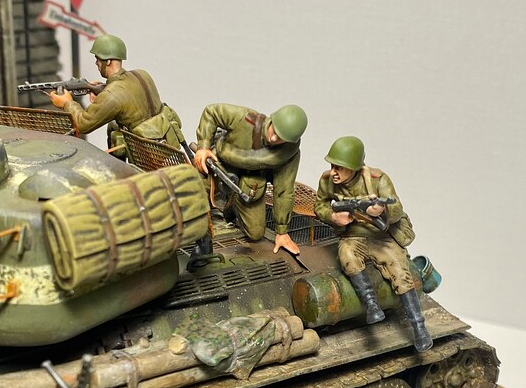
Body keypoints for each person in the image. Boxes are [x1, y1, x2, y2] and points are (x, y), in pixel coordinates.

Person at [314, 135, 432, 352]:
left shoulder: (378, 180)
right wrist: (333, 216)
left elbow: (396, 209)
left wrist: (381, 210)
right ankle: (372, 306)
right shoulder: (327, 180)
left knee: (400, 273)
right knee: (347, 256)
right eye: (332, 166)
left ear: (354, 167)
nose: (333, 172)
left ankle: (419, 327)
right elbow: (319, 205)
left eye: (339, 167)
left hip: (381, 237)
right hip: (353, 236)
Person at [193, 102, 308, 255]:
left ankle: (234, 202)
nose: (274, 138)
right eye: (275, 130)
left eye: (281, 138)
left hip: (249, 184)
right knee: (194, 194)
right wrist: (203, 147)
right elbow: (212, 111)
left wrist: (282, 231)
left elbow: (284, 191)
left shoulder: (288, 155)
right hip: (220, 166)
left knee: (256, 233)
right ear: (272, 120)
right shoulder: (244, 119)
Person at [49, 34, 183, 149]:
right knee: (113, 126)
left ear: (107, 62)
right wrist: (104, 89)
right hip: (168, 142)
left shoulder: (112, 95)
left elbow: (82, 125)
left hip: (147, 154)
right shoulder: (142, 74)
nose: (96, 63)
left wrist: (67, 103)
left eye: (98, 59)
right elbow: (133, 99)